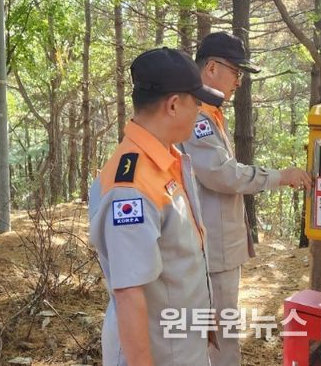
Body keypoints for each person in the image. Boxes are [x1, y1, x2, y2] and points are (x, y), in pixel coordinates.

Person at [180, 31, 312, 366]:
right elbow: (223, 175)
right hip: (211, 247)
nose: (238, 82)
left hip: (216, 244)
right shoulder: (196, 117)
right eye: (235, 72)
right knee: (220, 336)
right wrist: (279, 176)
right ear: (211, 68)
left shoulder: (210, 113)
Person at [88, 47, 224, 366]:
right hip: (160, 354)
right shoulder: (131, 187)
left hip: (181, 345)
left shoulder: (167, 161)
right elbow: (129, 293)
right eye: (196, 102)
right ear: (173, 105)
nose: (200, 110)